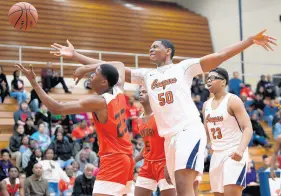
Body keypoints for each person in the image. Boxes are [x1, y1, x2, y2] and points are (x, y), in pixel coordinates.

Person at [49, 29, 276, 196]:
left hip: (188, 129)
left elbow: (219, 56)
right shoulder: (146, 75)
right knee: (177, 187)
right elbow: (110, 68)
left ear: (168, 51)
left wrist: (249, 41)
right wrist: (76, 55)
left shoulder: (183, 68)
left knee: (183, 183)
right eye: (150, 46)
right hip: (169, 138)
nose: (151, 48)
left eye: (156, 46)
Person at [15, 62, 134, 196]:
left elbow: (56, 108)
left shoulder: (99, 101)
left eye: (96, 73)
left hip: (114, 160)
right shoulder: (119, 89)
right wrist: (87, 67)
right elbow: (119, 64)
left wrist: (34, 82)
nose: (92, 74)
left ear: (104, 82)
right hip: (127, 157)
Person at [203, 68, 253, 196]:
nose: (209, 80)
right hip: (216, 154)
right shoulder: (206, 105)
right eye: (207, 78)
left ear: (223, 82)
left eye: (213, 78)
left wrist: (241, 150)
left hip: (233, 151)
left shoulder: (233, 100)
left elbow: (248, 127)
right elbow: (206, 133)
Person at [134, 86, 176, 196]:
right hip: (148, 164)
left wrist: (169, 163)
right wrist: (134, 160)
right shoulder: (139, 119)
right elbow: (148, 144)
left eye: (144, 92)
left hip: (164, 163)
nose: (141, 94)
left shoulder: (161, 116)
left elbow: (172, 139)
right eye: (140, 92)